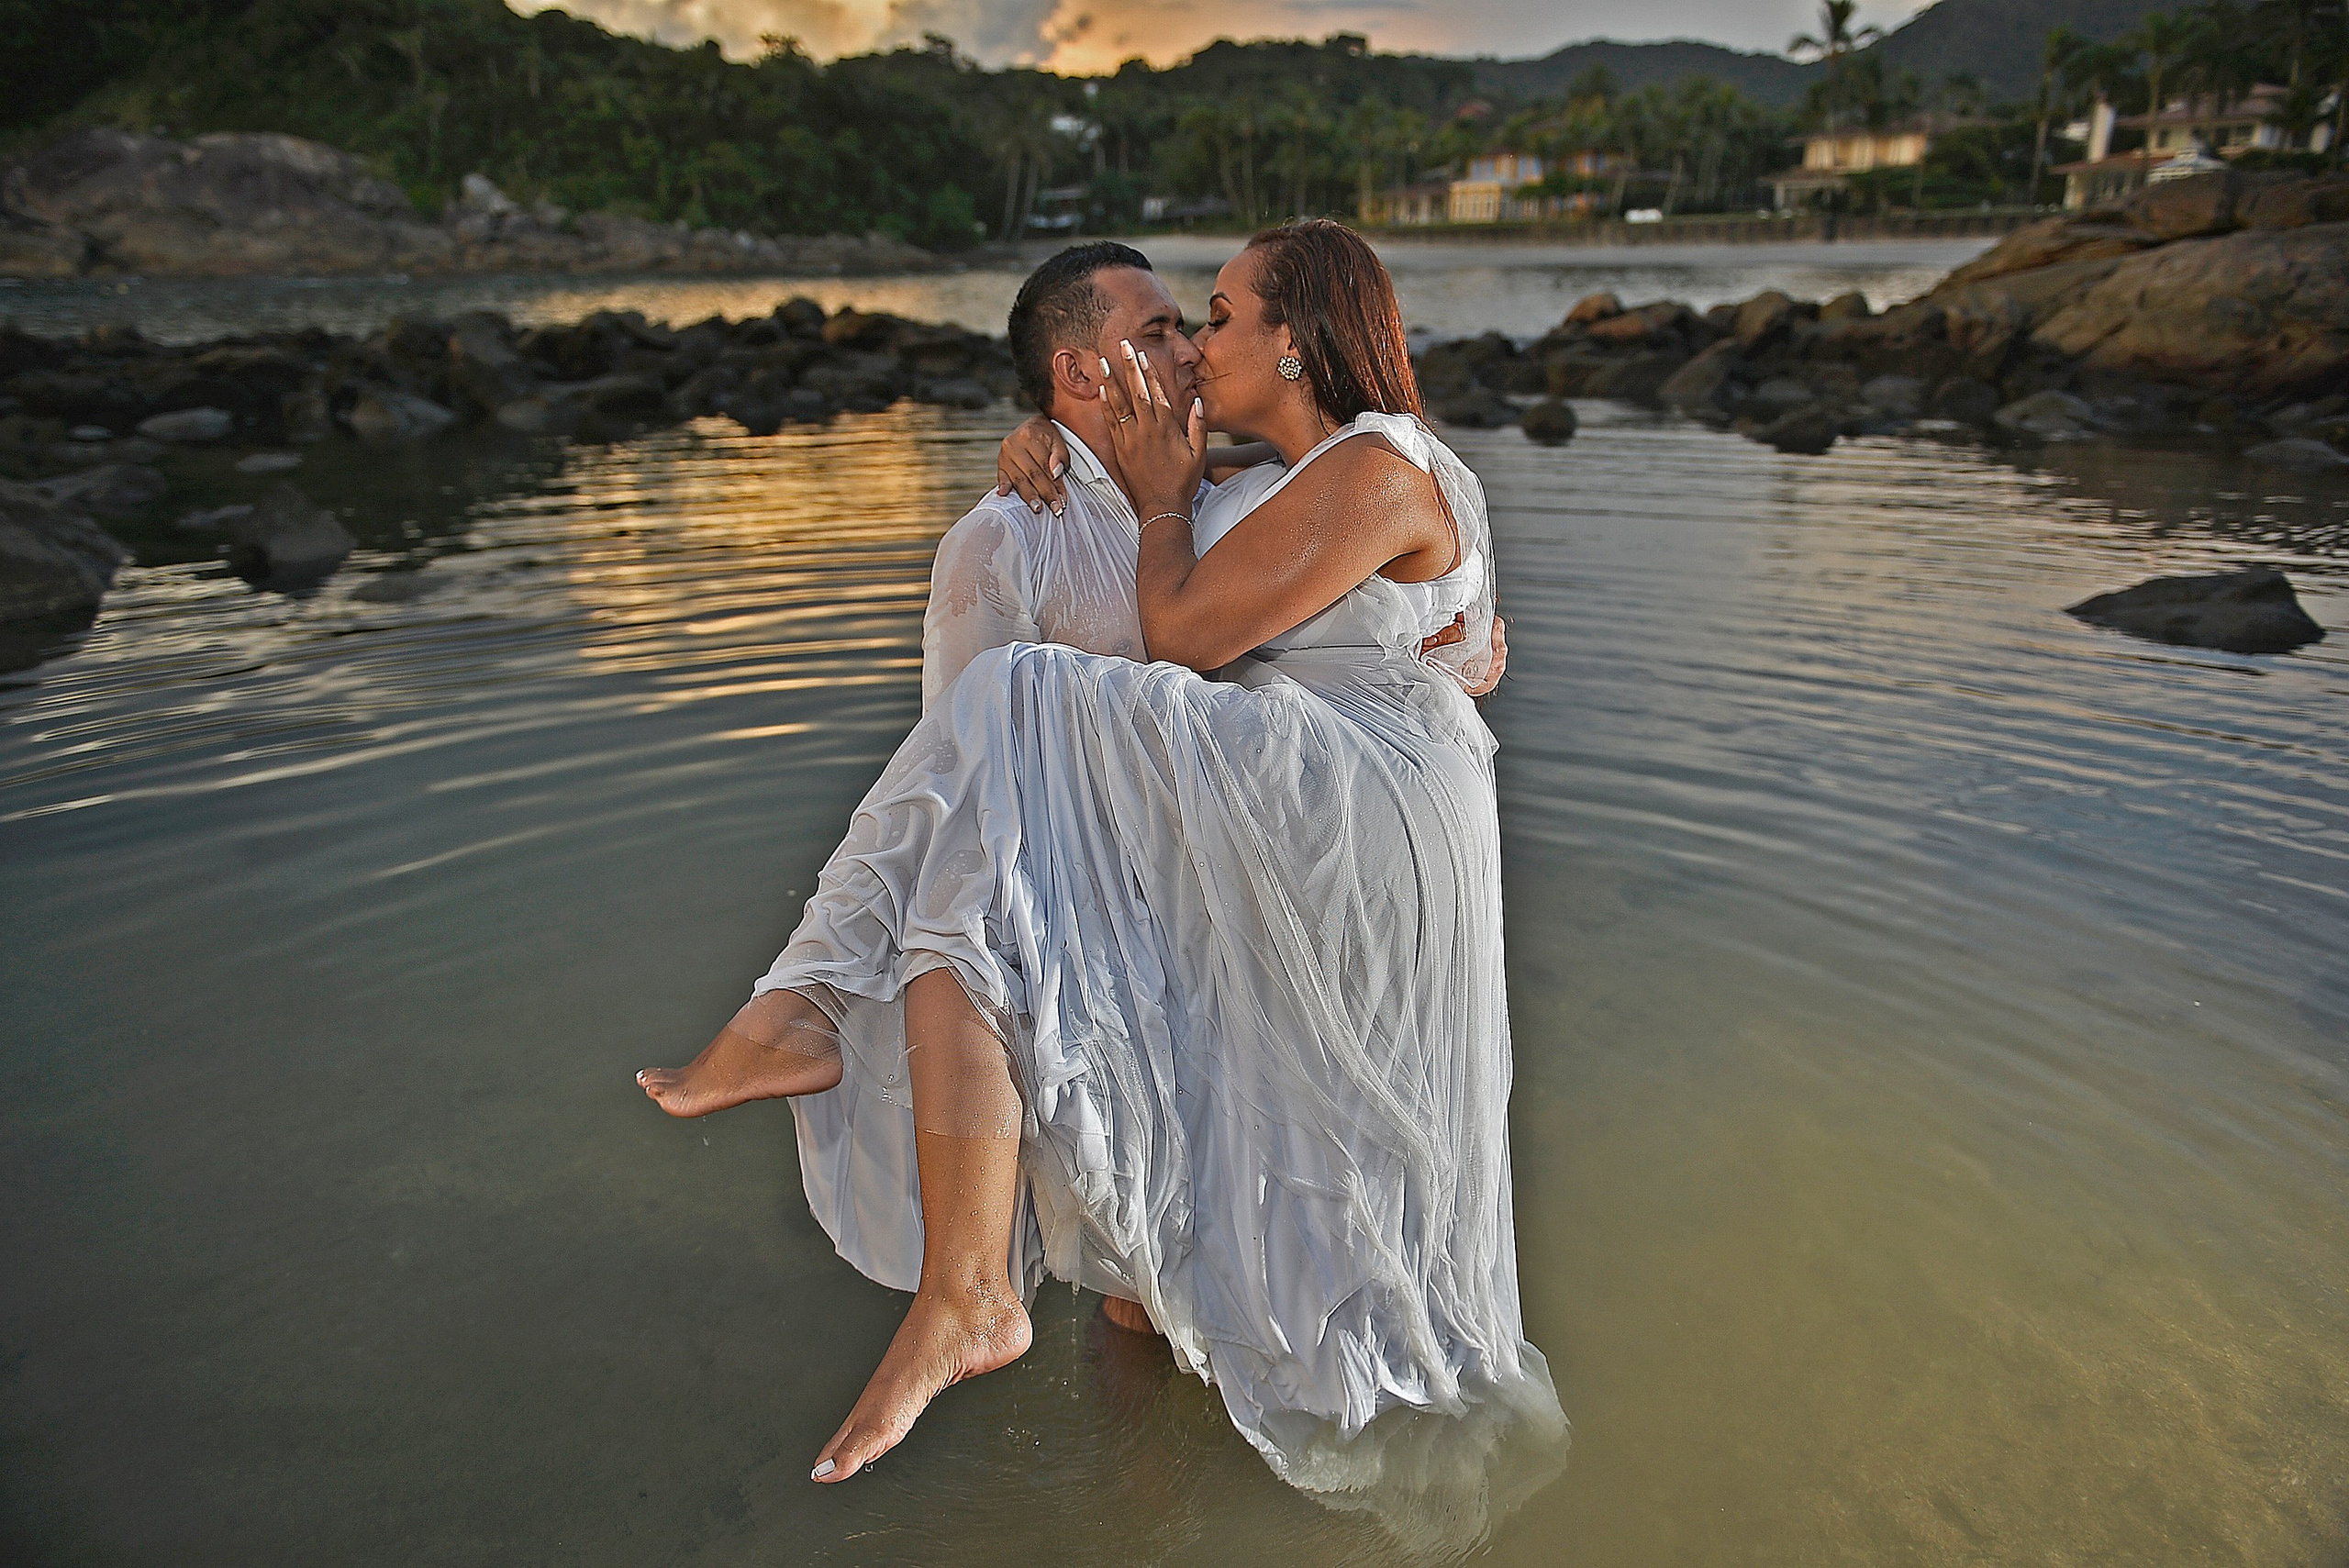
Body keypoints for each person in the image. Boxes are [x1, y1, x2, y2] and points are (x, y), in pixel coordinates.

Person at [639, 220, 1557, 1498]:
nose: (1194, 344)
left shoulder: (1376, 467)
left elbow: (1186, 630)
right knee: (1005, 783)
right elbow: (1214, 538)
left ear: (1294, 340)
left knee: (1013, 707)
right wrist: (1060, 456)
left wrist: (1163, 490)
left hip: (1342, 833)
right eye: (1175, 325)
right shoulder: (1236, 488)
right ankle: (1087, 1414)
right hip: (1265, 838)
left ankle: (810, 1011)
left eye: (1215, 318)